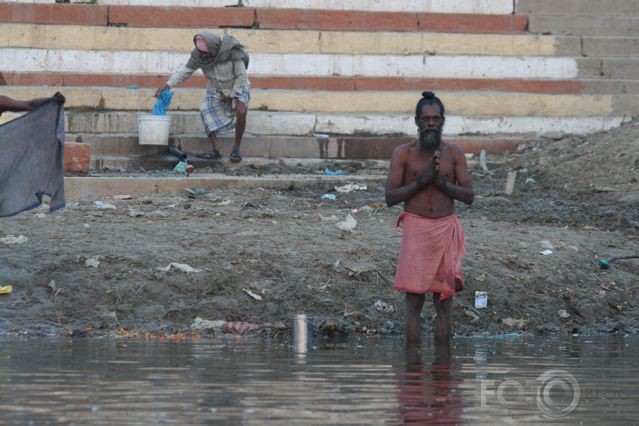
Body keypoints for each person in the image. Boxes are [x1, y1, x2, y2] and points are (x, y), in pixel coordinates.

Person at [385, 91, 474, 344]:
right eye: (426, 119)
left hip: (445, 230)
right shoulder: (403, 153)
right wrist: (421, 182)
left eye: (436, 118)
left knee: (444, 304)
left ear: (443, 121)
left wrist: (442, 183)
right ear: (417, 121)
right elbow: (390, 197)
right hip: (416, 229)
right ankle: (413, 371)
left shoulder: (454, 153)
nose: (431, 123)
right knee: (413, 303)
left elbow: (469, 196)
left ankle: (442, 374)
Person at [155, 32, 250, 163]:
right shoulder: (198, 56)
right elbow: (184, 72)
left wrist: (234, 95)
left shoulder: (232, 52)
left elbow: (242, 76)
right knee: (204, 109)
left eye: (206, 52)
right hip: (215, 89)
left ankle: (236, 148)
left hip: (237, 86)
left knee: (241, 111)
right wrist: (167, 85)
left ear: (213, 47)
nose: (204, 55)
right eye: (202, 52)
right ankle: (216, 149)